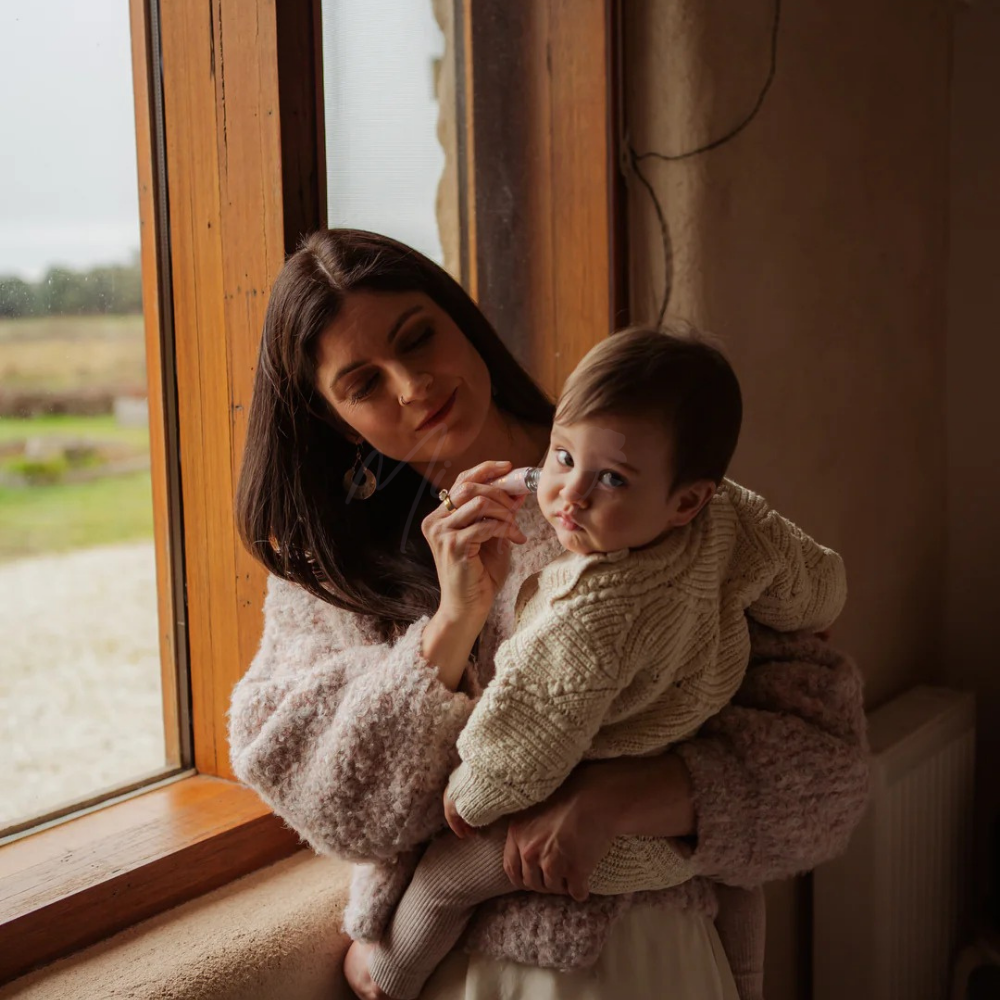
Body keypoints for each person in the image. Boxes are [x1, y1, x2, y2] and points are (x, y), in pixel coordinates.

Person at [229, 229, 870, 1000]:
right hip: (462, 975)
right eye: (364, 383)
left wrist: (625, 798)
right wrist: (449, 628)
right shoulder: (332, 571)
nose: (413, 385)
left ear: (462, 321)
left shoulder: (646, 492)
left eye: (418, 337)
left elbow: (829, 771)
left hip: (650, 960)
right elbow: (338, 811)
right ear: (337, 420)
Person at [347, 327, 847, 1000]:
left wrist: (475, 794)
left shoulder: (594, 604)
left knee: (443, 880)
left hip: (584, 846)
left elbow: (530, 723)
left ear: (686, 499)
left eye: (609, 480)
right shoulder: (733, 516)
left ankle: (387, 980)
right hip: (679, 828)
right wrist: (815, 612)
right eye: (561, 457)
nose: (569, 498)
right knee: (736, 884)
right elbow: (814, 578)